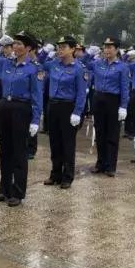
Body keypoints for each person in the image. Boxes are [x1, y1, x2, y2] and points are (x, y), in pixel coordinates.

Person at [0, 31, 43, 206]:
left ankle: (17, 191)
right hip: (4, 106)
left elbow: (37, 95)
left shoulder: (34, 68)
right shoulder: (6, 63)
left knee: (19, 151)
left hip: (21, 108)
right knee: (5, 150)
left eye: (20, 44)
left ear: (28, 48)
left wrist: (35, 120)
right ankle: (5, 189)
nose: (16, 47)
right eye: (14, 43)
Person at [41, 36, 87, 188]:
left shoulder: (79, 68)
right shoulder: (54, 65)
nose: (60, 49)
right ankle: (55, 174)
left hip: (68, 107)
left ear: (73, 49)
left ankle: (67, 176)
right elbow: (38, 64)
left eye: (64, 47)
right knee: (54, 142)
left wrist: (77, 112)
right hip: (53, 106)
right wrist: (43, 52)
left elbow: (81, 93)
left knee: (67, 143)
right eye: (58, 47)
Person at [89, 37, 130, 176]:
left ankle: (111, 165)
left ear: (117, 49)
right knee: (100, 133)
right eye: (105, 47)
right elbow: (82, 63)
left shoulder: (123, 67)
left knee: (112, 134)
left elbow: (125, 88)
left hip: (113, 100)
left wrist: (123, 106)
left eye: (110, 47)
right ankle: (100, 162)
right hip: (98, 98)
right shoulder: (98, 63)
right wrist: (89, 53)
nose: (107, 50)